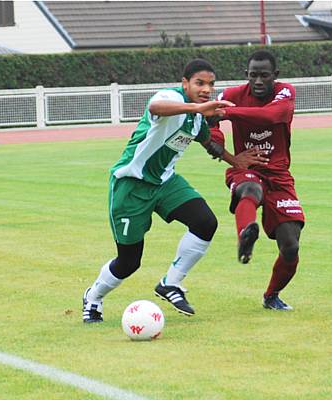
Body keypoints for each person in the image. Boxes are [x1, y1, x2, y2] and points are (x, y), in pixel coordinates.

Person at [82, 59, 238, 322]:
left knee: (205, 222)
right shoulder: (170, 97)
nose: (206, 89)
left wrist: (237, 161)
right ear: (185, 83)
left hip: (165, 183)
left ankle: (170, 283)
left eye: (210, 84)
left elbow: (209, 144)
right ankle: (93, 298)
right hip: (131, 186)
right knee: (129, 261)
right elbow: (156, 107)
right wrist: (199, 107)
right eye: (199, 83)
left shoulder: (197, 120)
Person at [210, 50, 305, 311]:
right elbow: (207, 118)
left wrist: (229, 114)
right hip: (247, 167)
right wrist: (221, 148)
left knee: (290, 246)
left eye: (264, 76)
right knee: (249, 189)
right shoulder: (230, 95)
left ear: (276, 75)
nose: (259, 81)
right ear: (246, 76)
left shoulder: (285, 92)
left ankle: (271, 295)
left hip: (279, 174)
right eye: (253, 76)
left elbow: (272, 116)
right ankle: (245, 234)